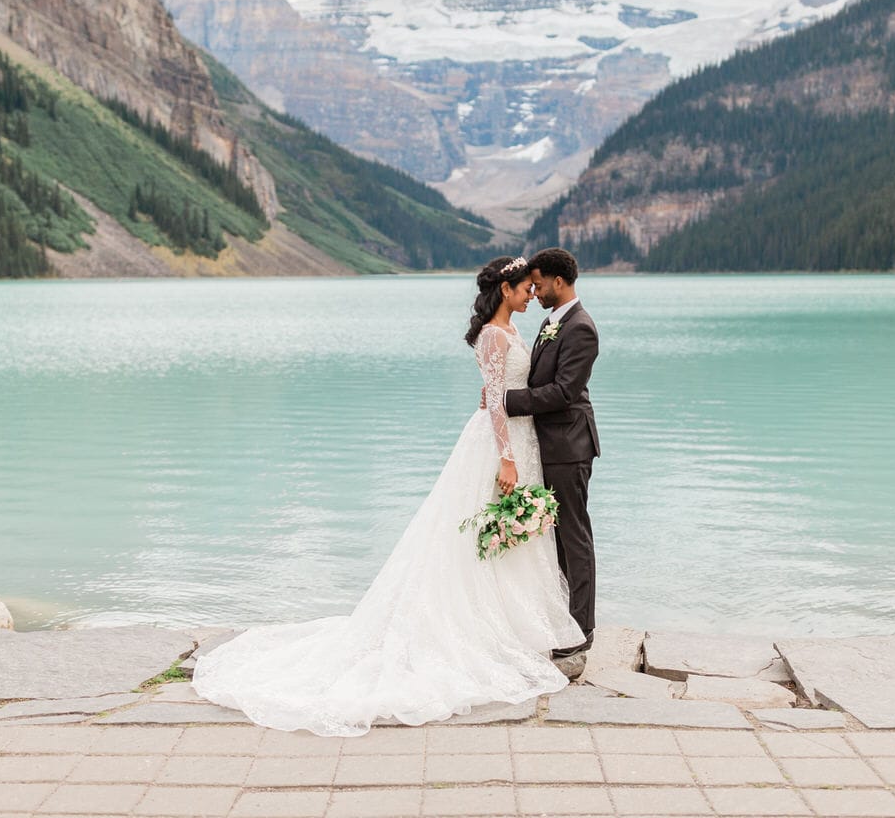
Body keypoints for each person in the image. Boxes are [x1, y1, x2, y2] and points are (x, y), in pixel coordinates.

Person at [192, 255, 584, 737]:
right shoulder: (493, 336)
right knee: (487, 533)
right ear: (506, 289)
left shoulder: (519, 330)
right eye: (526, 286)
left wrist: (507, 419)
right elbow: (496, 401)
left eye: (534, 286)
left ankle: (515, 629)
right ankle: (485, 633)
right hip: (503, 446)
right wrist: (506, 457)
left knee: (508, 541)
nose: (531, 292)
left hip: (526, 441)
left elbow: (511, 393)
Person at [502, 247, 601, 656]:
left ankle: (582, 631)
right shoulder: (551, 322)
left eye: (539, 285)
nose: (535, 291)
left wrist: (509, 401)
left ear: (559, 282)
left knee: (574, 537)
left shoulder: (580, 328)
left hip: (569, 446)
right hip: (549, 444)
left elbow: (564, 392)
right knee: (556, 540)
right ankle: (562, 619)